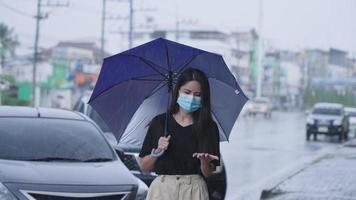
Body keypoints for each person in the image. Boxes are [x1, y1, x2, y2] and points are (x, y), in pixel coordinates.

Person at [139, 68, 220, 200]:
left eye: (197, 94)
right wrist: (158, 151)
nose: (191, 98)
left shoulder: (209, 127)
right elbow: (144, 167)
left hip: (194, 190)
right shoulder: (159, 122)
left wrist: (204, 162)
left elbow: (208, 173)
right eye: (187, 92)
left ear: (203, 97)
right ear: (177, 92)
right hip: (162, 190)